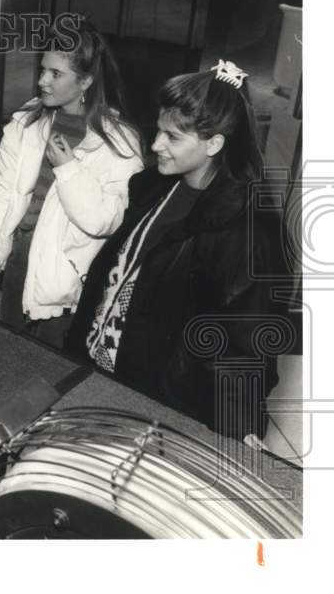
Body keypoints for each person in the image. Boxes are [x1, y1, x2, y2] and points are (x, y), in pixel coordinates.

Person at [66, 61, 283, 441]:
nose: (155, 145)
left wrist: (234, 433)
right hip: (103, 377)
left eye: (172, 137)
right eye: (159, 131)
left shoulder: (249, 233)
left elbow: (244, 350)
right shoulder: (154, 186)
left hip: (160, 409)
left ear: (214, 143)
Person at [0, 15, 144, 346]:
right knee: (10, 344)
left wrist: (68, 169)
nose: (42, 81)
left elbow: (105, 221)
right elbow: (2, 183)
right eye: (43, 70)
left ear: (85, 81)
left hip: (66, 270)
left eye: (55, 73)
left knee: (53, 359)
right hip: (21, 253)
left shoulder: (119, 143)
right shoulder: (27, 122)